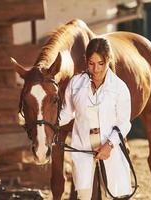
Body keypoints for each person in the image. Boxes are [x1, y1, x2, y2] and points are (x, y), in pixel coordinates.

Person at [59, 38, 132, 199]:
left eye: (101, 63)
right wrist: (48, 123)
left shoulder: (119, 88)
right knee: (83, 194)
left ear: (109, 60)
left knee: (112, 192)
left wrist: (109, 145)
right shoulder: (76, 83)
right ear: (86, 60)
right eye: (91, 63)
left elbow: (124, 123)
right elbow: (67, 113)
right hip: (83, 147)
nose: (96, 69)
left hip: (109, 147)